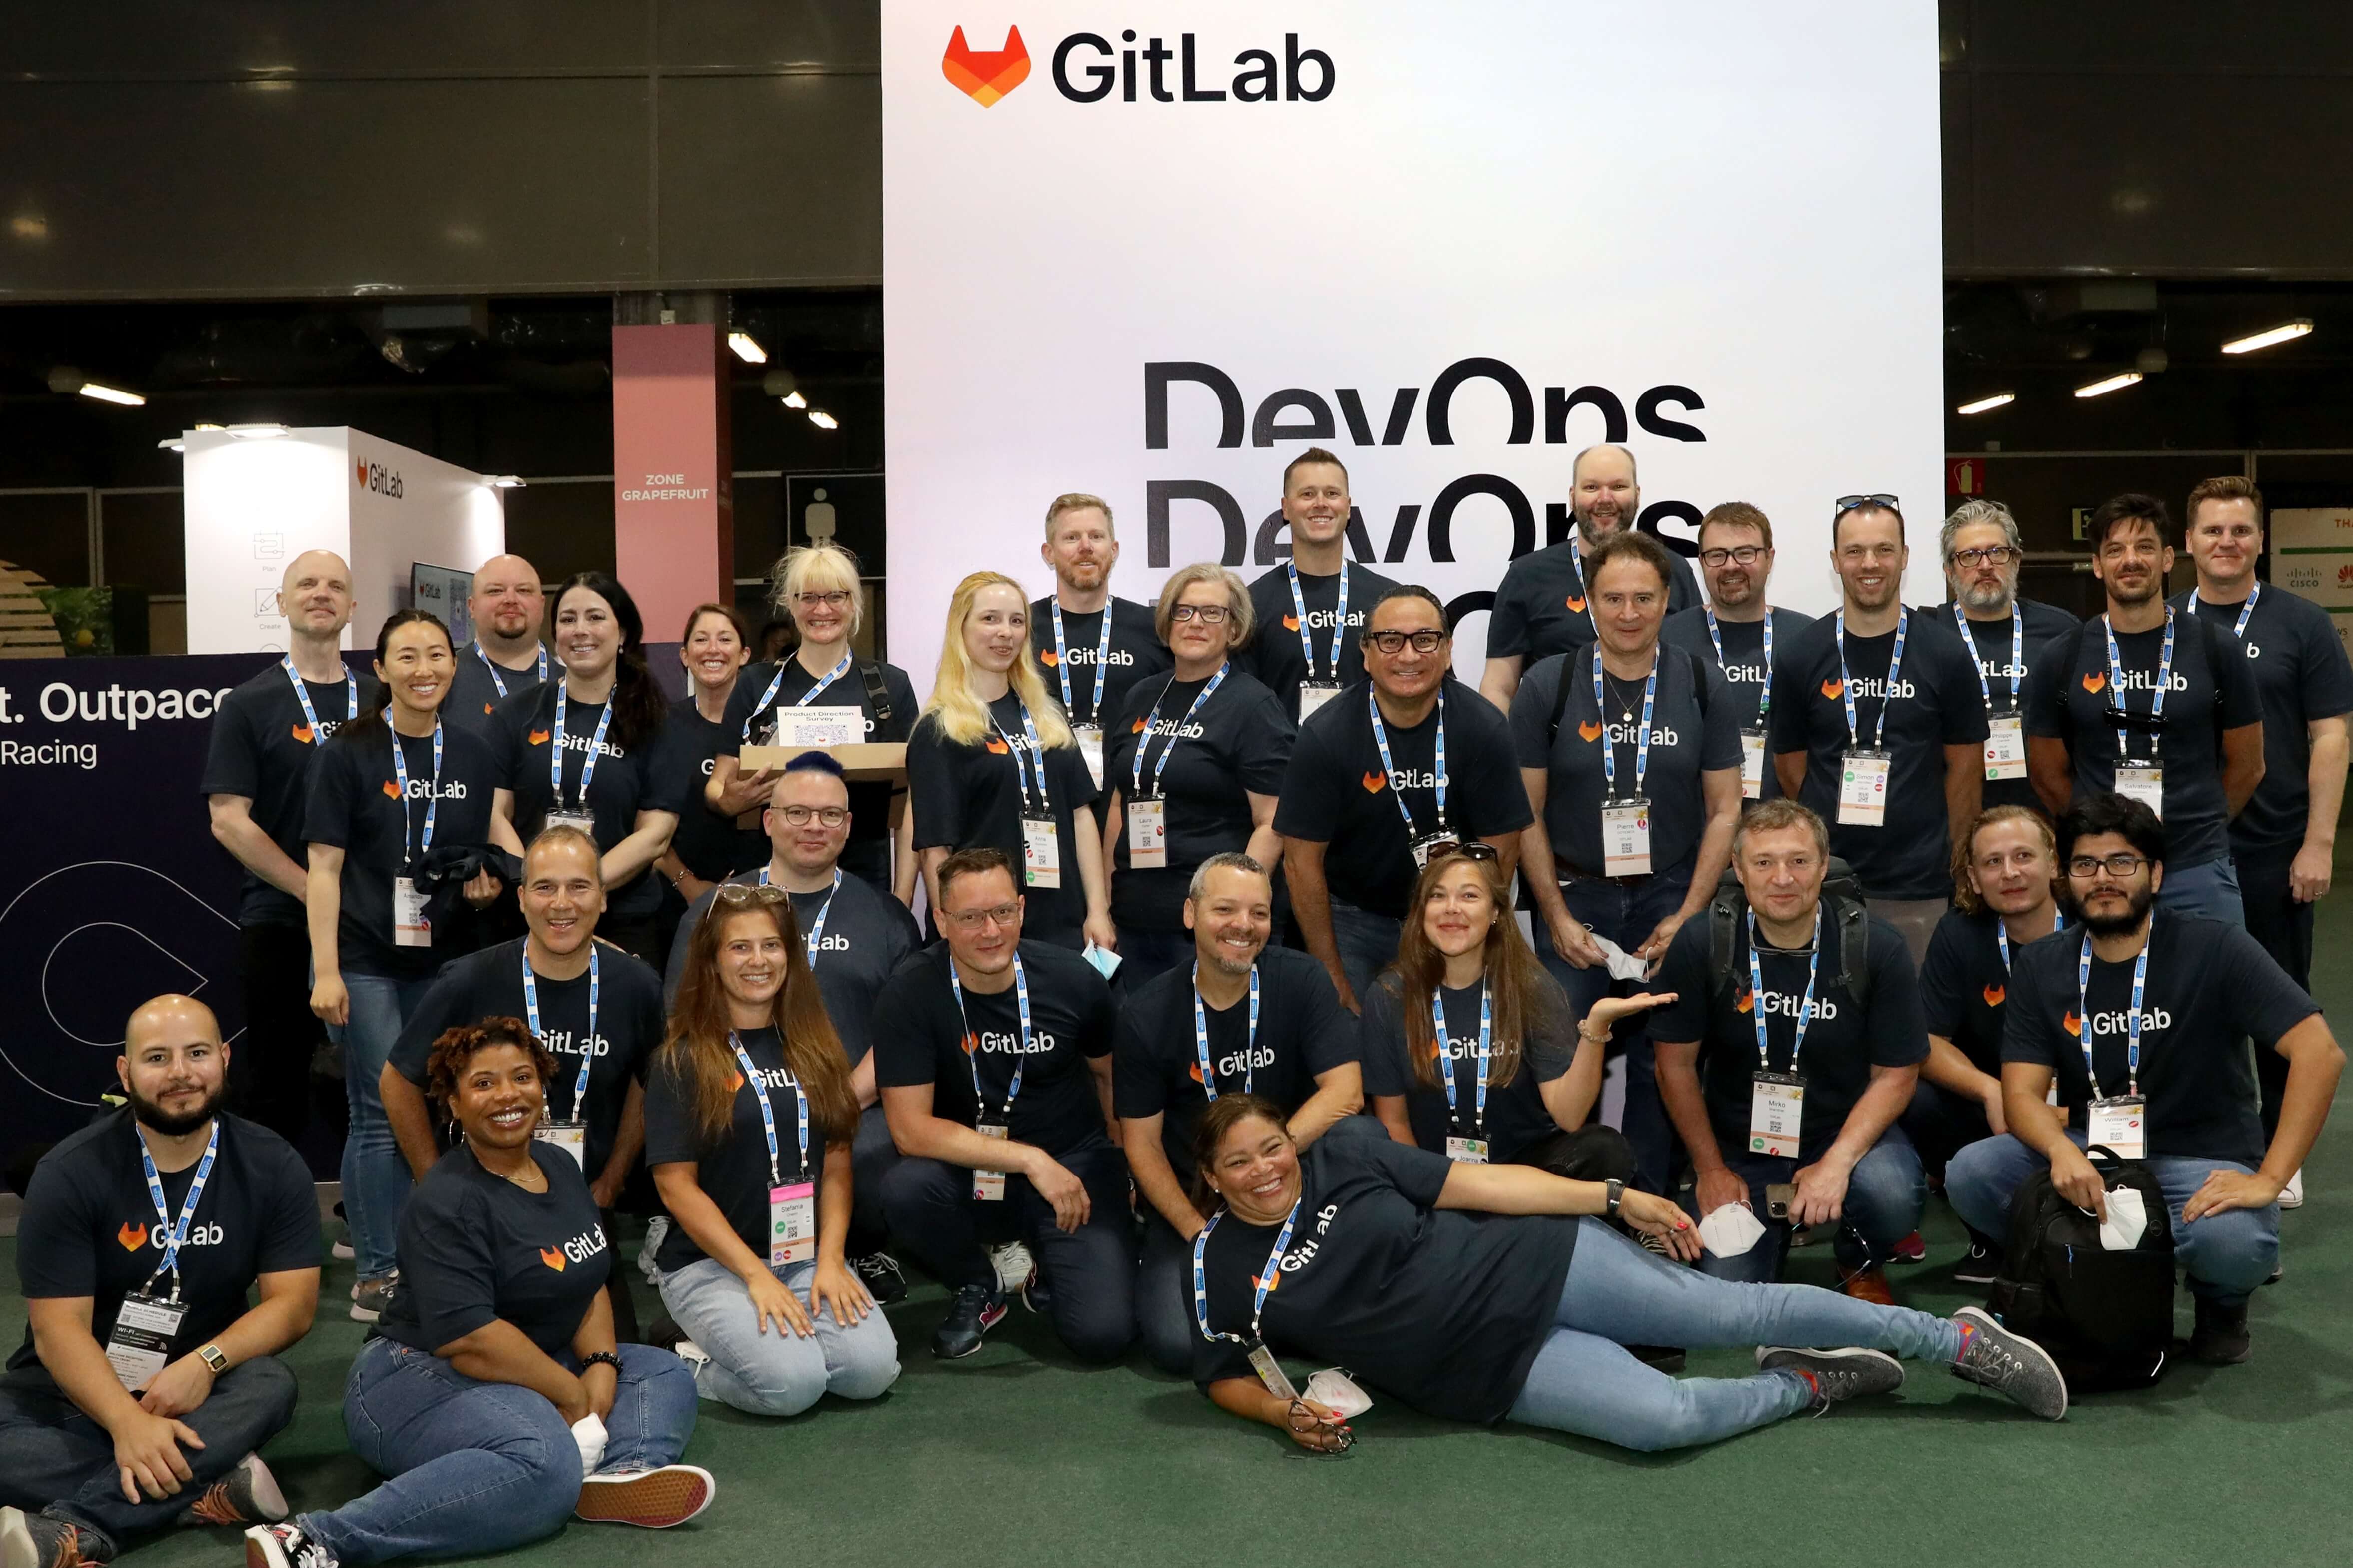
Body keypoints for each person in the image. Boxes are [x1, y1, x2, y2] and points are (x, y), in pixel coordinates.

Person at [1187, 1095, 2067, 1456]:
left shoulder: (1346, 1155)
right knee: (1662, 1423)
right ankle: (1809, 1382)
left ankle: (1951, 1341)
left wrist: (1612, 1197)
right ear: (1210, 1179)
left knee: (1731, 1313)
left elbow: (1488, 1185)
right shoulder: (1217, 1264)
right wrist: (1278, 1413)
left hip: (1539, 1262)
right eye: (1239, 1163)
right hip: (1485, 1372)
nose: (1265, 1170)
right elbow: (1223, 1372)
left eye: (1273, 1147)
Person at [245, 1022, 710, 1568]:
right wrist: (573, 1393)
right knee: (543, 1457)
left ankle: (618, 1474)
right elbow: (471, 1343)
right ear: (454, 1103)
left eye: (522, 1077)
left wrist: (602, 1366)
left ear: (542, 1085)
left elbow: (586, 1281)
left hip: (527, 1365)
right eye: (484, 1083)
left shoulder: (559, 1164)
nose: (508, 1094)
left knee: (662, 1372)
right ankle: (317, 1539)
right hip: (414, 1377)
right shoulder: (448, 1198)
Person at [1946, 793, 2344, 1364]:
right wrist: (2060, 1150)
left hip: (2198, 1154)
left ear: (2154, 875)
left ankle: (2220, 1301)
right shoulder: (2043, 963)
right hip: (2093, 1147)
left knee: (2233, 1244)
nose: (2102, 879)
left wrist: (2270, 1177)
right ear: (2066, 877)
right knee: (1972, 1172)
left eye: (2121, 862)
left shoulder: (2215, 946)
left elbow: (2319, 1053)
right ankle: (2084, 1267)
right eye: (2085, 864)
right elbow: (2021, 1094)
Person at [0, 997, 319, 1568]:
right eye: (157, 1057)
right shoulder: (70, 1171)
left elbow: (293, 1304)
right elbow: (58, 1330)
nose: (180, 1072)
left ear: (224, 1058)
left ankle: (78, 1528)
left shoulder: (273, 1163)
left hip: (204, 1392)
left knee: (269, 1382)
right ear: (126, 1073)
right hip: (70, 1397)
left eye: (197, 1053)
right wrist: (126, 1422)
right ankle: (203, 1487)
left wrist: (206, 1362)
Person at [1512, 529, 1743, 1192]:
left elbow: (1725, 808)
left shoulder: (1700, 681)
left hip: (1670, 894)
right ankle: (1568, 1207)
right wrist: (1554, 915)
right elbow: (1524, 812)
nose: (1628, 613)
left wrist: (1689, 914)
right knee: (1563, 1060)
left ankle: (1647, 1206)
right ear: (1589, 601)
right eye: (1612, 598)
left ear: (1667, 599)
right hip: (1574, 898)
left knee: (1660, 1062)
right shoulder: (1548, 683)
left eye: (1643, 597)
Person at [383, 826, 663, 1341]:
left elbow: (649, 1083)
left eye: (579, 887)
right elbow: (397, 1080)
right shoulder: (470, 979)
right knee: (480, 1351)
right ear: (521, 898)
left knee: (619, 1356)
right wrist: (436, 1183)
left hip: (579, 1213)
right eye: (545, 887)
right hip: (480, 1213)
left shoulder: (636, 985)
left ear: (603, 898)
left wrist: (612, 1180)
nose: (562, 904)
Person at [305, 610, 503, 1323]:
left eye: (437, 655)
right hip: (363, 956)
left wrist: (490, 881)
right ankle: (377, 1274)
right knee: (377, 1111)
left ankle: (419, 1251)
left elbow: (483, 850)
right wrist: (325, 969)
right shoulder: (345, 752)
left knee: (431, 1107)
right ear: (381, 669)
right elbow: (323, 868)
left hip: (443, 958)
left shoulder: (472, 753)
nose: (425, 670)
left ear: (454, 665)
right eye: (407, 656)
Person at [665, 754, 923, 1299]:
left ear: (848, 827)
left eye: (830, 816)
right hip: (741, 1099)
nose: (814, 827)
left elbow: (905, 1033)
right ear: (768, 820)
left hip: (854, 1105)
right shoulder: (714, 911)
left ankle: (856, 1248)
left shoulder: (887, 917)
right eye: (798, 812)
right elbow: (684, 1021)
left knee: (879, 1154)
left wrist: (839, 1100)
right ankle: (721, 1260)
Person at [1650, 800, 1928, 1302]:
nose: (1782, 878)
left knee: (1890, 1192)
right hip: (1740, 1147)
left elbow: (1897, 1073)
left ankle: (1856, 1256)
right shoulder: (1703, 941)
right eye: (1764, 862)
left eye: (1799, 861)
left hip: (1841, 1133)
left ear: (1823, 866)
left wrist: (1837, 1163)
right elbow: (1675, 1066)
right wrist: (1710, 1169)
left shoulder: (1875, 945)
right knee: (1726, 1299)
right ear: (1738, 870)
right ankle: (1768, 1238)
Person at [644, 886, 902, 1415]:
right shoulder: (682, 1058)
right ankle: (682, 1354)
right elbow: (675, 1186)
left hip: (803, 1255)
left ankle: (779, 1339)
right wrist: (756, 1276)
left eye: (771, 945)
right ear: (712, 961)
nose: (758, 960)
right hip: (711, 1265)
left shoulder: (816, 1046)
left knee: (871, 1372)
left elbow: (836, 1165)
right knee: (793, 1386)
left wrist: (831, 1260)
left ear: (790, 955)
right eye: (739, 947)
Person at [872, 850, 1132, 1363]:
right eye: (970, 917)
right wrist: (1030, 1159)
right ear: (941, 920)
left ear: (1022, 908)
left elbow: (1110, 1078)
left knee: (1103, 1336)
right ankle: (978, 1282)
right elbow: (909, 1129)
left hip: (1072, 1165)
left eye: (1003, 912)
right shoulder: (909, 992)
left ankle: (1048, 1264)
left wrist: (1123, 1170)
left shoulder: (1073, 978)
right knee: (905, 1188)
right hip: (974, 1167)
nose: (990, 931)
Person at [1114, 853, 1364, 1375]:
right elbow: (1142, 1143)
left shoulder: (1301, 979)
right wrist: (1198, 1234)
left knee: (1364, 1137)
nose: (1243, 926)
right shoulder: (1146, 1013)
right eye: (1225, 909)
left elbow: (1345, 1091)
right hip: (1199, 1199)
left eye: (1259, 913)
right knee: (1177, 1344)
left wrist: (1264, 1162)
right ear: (1191, 914)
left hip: (1288, 1184)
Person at [2174, 473, 2351, 1196]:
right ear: (2187, 542)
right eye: (2212, 530)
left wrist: (2318, 843)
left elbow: (2330, 735)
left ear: (2260, 540)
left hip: (2273, 848)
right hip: (2182, 852)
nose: (2226, 542)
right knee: (2182, 1000)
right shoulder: (2160, 622)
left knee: (2278, 1004)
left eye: (2239, 530)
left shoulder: (2300, 623)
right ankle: (2196, 1139)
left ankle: (2281, 1154)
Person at [1276, 587, 1532, 1012]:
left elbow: (1501, 850)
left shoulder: (1484, 728)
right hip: (1353, 919)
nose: (1408, 656)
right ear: (1366, 653)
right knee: (1354, 1037)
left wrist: (1471, 928)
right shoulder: (1325, 734)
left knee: (1453, 1034)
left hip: (1450, 914)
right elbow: (1300, 864)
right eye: (1390, 640)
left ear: (1447, 650)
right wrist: (1332, 975)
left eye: (1425, 640)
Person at [2026, 493, 2264, 925]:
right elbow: (2045, 772)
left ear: (2167, 558)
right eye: (2115, 550)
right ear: (2097, 565)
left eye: (2144, 547)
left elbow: (2247, 765)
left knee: (2212, 970)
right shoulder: (2063, 656)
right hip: (2101, 871)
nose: (2130, 561)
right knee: (2103, 972)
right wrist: (2097, 830)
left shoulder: (2216, 648)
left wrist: (2200, 824)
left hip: (2197, 866)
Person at [1770, 495, 1988, 964]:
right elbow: (1790, 769)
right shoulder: (1798, 656)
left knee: (1915, 1009)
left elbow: (1966, 771)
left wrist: (1954, 865)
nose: (1869, 564)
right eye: (1854, 551)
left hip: (1919, 885)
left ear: (1904, 557)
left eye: (1884, 550)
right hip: (1824, 881)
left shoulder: (1946, 655)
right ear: (1835, 561)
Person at [201, 549, 356, 1148]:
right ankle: (270, 1205)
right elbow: (228, 821)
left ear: (351, 606)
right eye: (307, 583)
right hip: (280, 920)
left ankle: (371, 1201)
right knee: (274, 1084)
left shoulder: (382, 698)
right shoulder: (249, 702)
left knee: (375, 1082)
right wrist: (313, 889)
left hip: (371, 924)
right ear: (281, 602)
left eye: (335, 585)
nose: (321, 593)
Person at [1361, 848, 1635, 1182]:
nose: (1452, 908)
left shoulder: (1530, 986)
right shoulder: (1389, 995)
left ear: (1495, 913)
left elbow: (1570, 1115)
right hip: (1440, 1178)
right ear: (1421, 912)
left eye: (1469, 896)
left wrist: (1596, 1028)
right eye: (1437, 896)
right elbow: (1394, 1123)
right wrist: (1432, 1190)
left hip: (1527, 1174)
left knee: (1605, 1149)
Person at [1099, 563, 1294, 986]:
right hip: (1132, 920)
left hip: (1210, 930)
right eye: (1183, 611)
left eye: (1212, 613)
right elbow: (1119, 804)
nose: (1195, 623)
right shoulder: (1141, 695)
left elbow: (1272, 822)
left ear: (1234, 628)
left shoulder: (1253, 705)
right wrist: (1104, 902)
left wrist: (1236, 909)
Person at [907, 572, 1112, 953]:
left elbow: (1081, 816)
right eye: (990, 619)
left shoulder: (1047, 718)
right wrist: (954, 932)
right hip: (986, 929)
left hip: (1063, 923)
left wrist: (1097, 911)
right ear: (960, 628)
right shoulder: (940, 729)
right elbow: (934, 848)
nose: (1006, 632)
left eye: (1016, 621)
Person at [489, 572, 686, 964]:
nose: (581, 630)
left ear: (622, 632)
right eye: (568, 619)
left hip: (624, 917)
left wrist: (582, 891)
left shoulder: (655, 720)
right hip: (528, 917)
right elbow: (494, 814)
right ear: (555, 634)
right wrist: (540, 890)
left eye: (595, 617)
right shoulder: (516, 714)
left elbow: (656, 834)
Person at [1909, 806, 2069, 1282]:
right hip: (1998, 1106)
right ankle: (1988, 1235)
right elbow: (1925, 1039)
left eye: (2023, 856)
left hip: (2089, 1105)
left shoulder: (2096, 923)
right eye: (1992, 862)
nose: (2010, 873)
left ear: (2053, 863)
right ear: (1975, 880)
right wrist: (1992, 1091)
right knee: (1913, 1096)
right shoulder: (1959, 932)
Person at [708, 544, 918, 901]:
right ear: (790, 605)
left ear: (854, 604)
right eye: (808, 597)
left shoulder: (888, 686)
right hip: (769, 884)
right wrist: (730, 801)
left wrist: (902, 896)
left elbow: (911, 801)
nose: (822, 610)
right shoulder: (756, 684)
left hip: (864, 881)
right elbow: (717, 785)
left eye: (835, 596)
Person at [1479, 444, 1705, 711]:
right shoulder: (1527, 576)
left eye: (1618, 487)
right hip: (1555, 736)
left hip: (1660, 733)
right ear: (1573, 497)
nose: (1605, 499)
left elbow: (1698, 675)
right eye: (1592, 488)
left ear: (1637, 495)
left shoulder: (1674, 570)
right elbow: (1499, 688)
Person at [1662, 502, 1815, 802]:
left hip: (1783, 823)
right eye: (1717, 555)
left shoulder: (1808, 638)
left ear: (1770, 559)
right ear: (1701, 562)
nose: (1731, 566)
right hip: (1694, 823)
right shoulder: (1667, 639)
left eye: (1745, 553)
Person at [1940, 501, 2079, 813]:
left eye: (1997, 552)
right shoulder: (1930, 635)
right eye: (1970, 555)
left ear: (2016, 560)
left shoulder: (2062, 631)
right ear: (1949, 570)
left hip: (2045, 816)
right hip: (1959, 817)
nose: (1985, 565)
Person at [1243, 448, 1401, 723]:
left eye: (1332, 494)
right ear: (1285, 508)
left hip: (1370, 749)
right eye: (1307, 494)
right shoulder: (1252, 603)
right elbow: (1238, 704)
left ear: (1348, 507)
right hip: (1281, 750)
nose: (1320, 504)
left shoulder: (1388, 601)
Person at [1030, 493, 1173, 790]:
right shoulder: (1022, 629)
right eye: (1072, 538)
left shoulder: (1154, 628)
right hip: (1045, 797)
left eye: (1096, 536)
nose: (1086, 547)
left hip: (1132, 797)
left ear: (1114, 549)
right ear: (1049, 553)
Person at [652, 604, 768, 919]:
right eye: (701, 640)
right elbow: (645, 819)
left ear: (744, 655)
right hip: (678, 899)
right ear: (685, 656)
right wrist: (689, 885)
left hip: (760, 896)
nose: (713, 649)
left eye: (725, 639)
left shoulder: (768, 727)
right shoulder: (661, 725)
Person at [445, 554, 548, 740]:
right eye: (496, 591)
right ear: (472, 607)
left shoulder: (574, 680)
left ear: (542, 605)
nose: (511, 599)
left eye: (524, 590)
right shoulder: (443, 678)